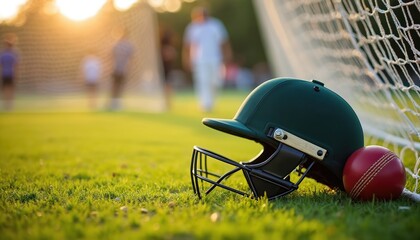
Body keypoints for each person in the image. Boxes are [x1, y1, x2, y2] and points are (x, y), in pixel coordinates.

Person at [183, 6, 232, 112]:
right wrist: (187, 59)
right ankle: (206, 104)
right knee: (203, 81)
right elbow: (187, 46)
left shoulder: (216, 25)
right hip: (199, 60)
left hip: (216, 59)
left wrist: (227, 55)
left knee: (216, 81)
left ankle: (211, 101)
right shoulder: (192, 28)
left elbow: (224, 42)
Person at [109, 29, 133, 110]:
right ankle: (116, 102)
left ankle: (115, 102)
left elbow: (111, 55)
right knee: (119, 86)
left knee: (116, 86)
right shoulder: (128, 45)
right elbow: (132, 57)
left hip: (117, 68)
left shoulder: (117, 44)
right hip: (121, 68)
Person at [0, 33, 19, 111]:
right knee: (10, 89)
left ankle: (7, 105)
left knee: (5, 89)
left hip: (5, 74)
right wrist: (17, 74)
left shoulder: (3, 54)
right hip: (10, 74)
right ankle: (9, 105)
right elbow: (16, 66)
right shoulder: (13, 54)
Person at [160, 28, 177, 110]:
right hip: (165, 70)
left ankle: (168, 102)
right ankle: (167, 102)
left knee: (167, 86)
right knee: (166, 86)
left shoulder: (168, 47)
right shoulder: (166, 48)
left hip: (167, 70)